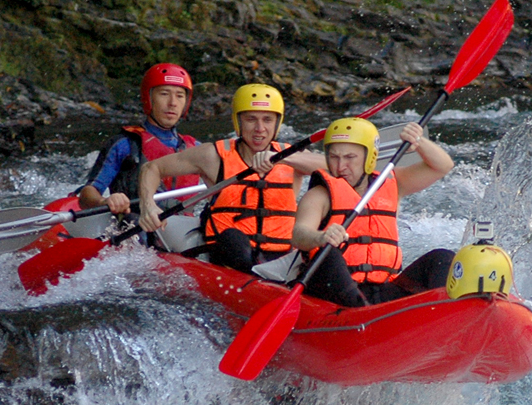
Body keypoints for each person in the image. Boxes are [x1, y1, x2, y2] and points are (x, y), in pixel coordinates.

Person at [137, 83, 322, 272]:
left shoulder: (294, 158)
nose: (260, 128)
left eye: (267, 120)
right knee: (233, 239)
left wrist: (285, 159)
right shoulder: (213, 156)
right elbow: (151, 168)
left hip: (279, 261)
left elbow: (338, 169)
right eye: (251, 119)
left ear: (277, 123)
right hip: (228, 254)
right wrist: (148, 206)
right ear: (238, 122)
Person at [290, 117, 456, 307]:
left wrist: (419, 142)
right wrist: (320, 237)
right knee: (327, 253)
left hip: (384, 289)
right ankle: (362, 314)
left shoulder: (394, 183)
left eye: (350, 158)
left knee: (442, 258)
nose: (340, 166)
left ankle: (441, 314)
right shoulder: (319, 195)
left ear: (370, 158)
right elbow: (298, 234)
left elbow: (443, 166)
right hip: (336, 292)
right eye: (334, 157)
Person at [78, 63, 200, 215]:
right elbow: (87, 195)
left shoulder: (197, 150)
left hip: (181, 231)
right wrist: (104, 201)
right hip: (134, 226)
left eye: (180, 96)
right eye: (164, 94)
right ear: (148, 98)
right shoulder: (125, 144)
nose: (173, 103)